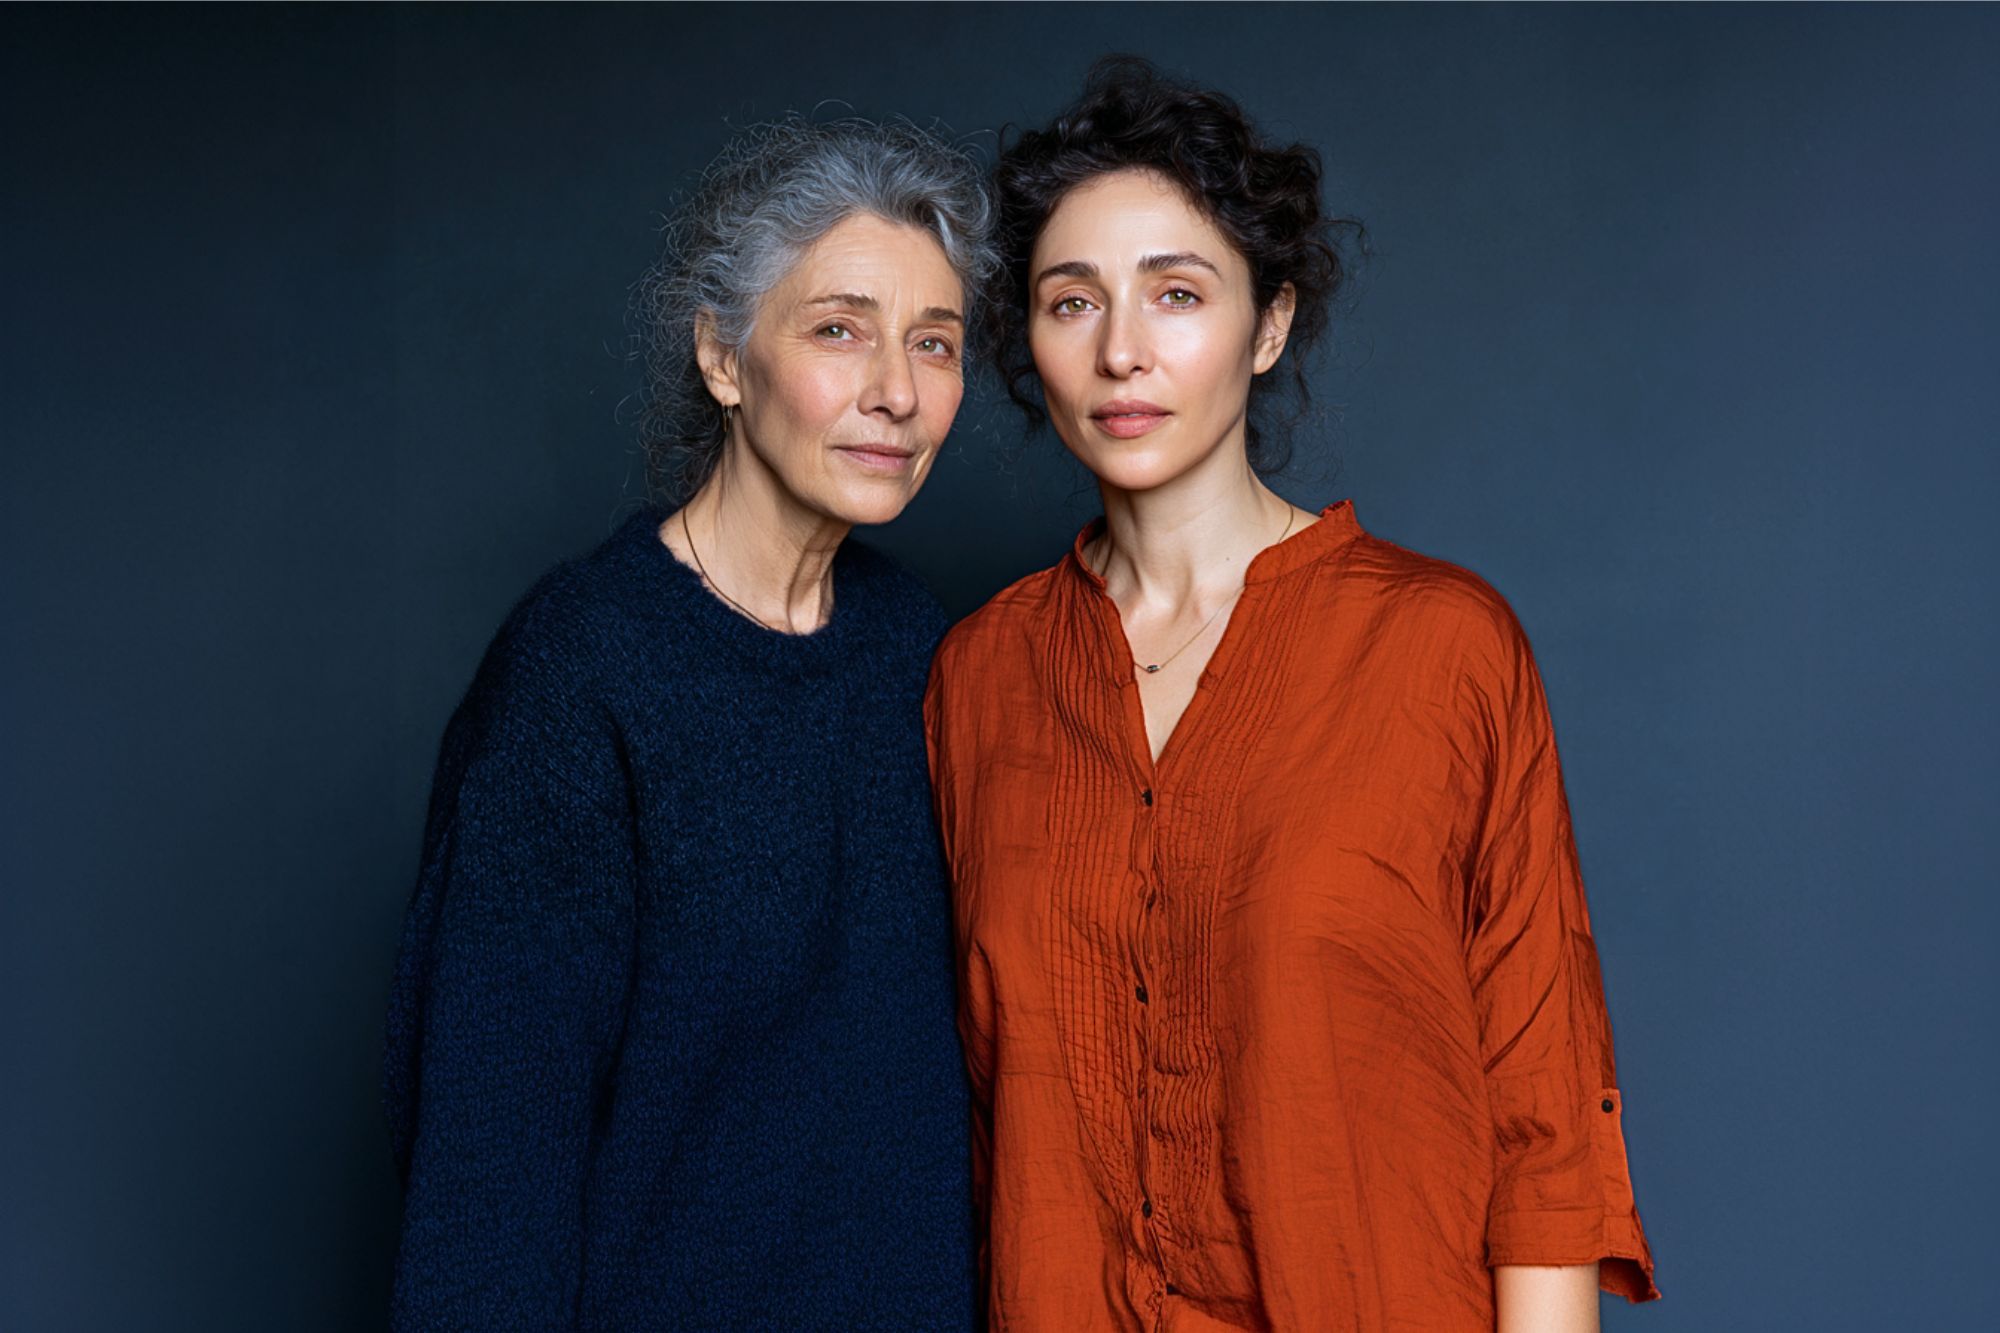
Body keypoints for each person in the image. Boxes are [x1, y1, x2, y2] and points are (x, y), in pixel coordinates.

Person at [924, 59, 1659, 1331]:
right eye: (1069, 299)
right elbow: (973, 1120)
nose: (1120, 351)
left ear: (1266, 325)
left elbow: (1544, 1123)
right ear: (1026, 343)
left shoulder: (1441, 646)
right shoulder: (975, 678)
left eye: (1176, 294)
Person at [382, 116, 994, 1329]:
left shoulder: (922, 650)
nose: (896, 392)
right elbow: (487, 1168)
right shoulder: (579, 674)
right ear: (722, 354)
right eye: (839, 330)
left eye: (935, 343)